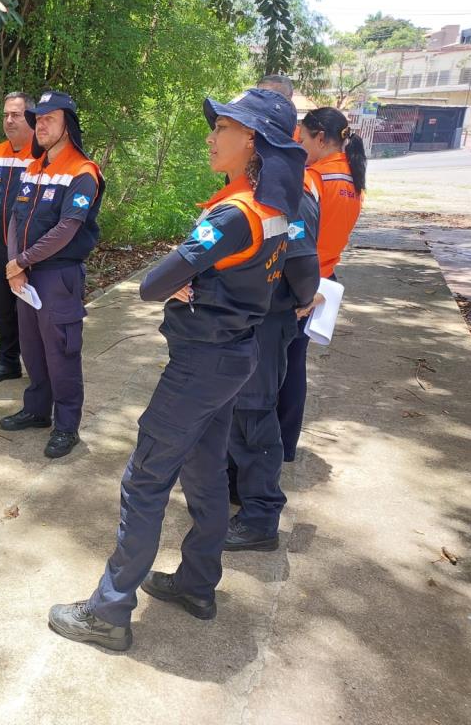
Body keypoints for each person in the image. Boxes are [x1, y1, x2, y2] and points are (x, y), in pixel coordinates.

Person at [48, 88, 305, 651]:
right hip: (236, 357)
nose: (212, 137)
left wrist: (183, 280)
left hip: (200, 365)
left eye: (225, 128)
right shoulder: (275, 208)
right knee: (207, 473)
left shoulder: (234, 214)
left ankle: (108, 611)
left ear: (254, 141)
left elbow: (150, 284)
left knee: (145, 480)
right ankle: (196, 583)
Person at [0, 91, 103, 459]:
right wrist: (15, 266)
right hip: (24, 277)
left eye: (49, 119)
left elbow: (68, 227)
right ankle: (37, 410)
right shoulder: (33, 167)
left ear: (68, 125)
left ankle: (66, 426)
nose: (40, 125)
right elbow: (13, 218)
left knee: (61, 353)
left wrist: (21, 261)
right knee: (32, 348)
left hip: (58, 277)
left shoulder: (83, 172)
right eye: (37, 119)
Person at [224, 169, 321, 549]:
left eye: (224, 129)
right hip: (241, 321)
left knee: (254, 415)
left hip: (266, 321)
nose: (212, 138)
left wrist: (299, 301)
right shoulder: (247, 189)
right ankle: (239, 490)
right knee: (235, 410)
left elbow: (303, 265)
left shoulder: (288, 194)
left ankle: (261, 518)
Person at [277, 107, 367, 463]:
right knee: (295, 363)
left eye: (302, 138)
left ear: (318, 137)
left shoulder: (312, 179)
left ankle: (270, 445)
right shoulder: (353, 183)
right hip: (325, 280)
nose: (299, 145)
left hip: (299, 282)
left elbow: (296, 240)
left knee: (275, 366)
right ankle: (285, 445)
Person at [0, 92, 35, 385]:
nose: (9, 121)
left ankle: (41, 368)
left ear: (32, 119)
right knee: (2, 307)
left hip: (32, 248)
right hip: (2, 244)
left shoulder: (42, 155)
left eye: (16, 115)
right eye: (6, 115)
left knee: (33, 311)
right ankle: (8, 362)